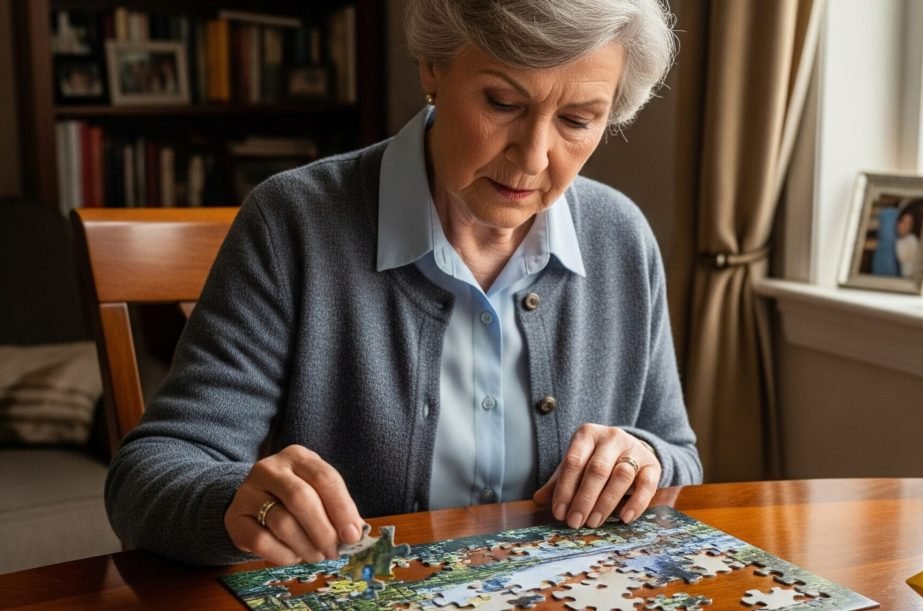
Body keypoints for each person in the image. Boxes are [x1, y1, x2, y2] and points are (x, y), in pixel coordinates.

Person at [104, 0, 701, 568]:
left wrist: (641, 459)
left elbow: (680, 457)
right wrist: (239, 504)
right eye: (502, 103)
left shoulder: (621, 236)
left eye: (577, 120)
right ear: (433, 67)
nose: (534, 157)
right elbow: (149, 474)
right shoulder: (294, 222)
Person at [894, 207, 919, 279]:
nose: (905, 226)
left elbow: (902, 257)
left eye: (909, 224)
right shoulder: (898, 239)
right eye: (903, 222)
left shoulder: (912, 239)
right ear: (898, 222)